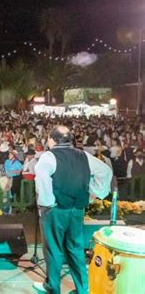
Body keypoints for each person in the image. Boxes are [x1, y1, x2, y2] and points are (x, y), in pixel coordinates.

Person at [33, 125, 112, 294]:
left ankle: (53, 287)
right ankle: (83, 289)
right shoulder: (83, 155)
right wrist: (94, 193)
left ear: (52, 140)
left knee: (53, 249)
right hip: (77, 209)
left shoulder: (48, 156)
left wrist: (48, 204)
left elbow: (42, 179)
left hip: (55, 210)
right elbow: (105, 172)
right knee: (75, 249)